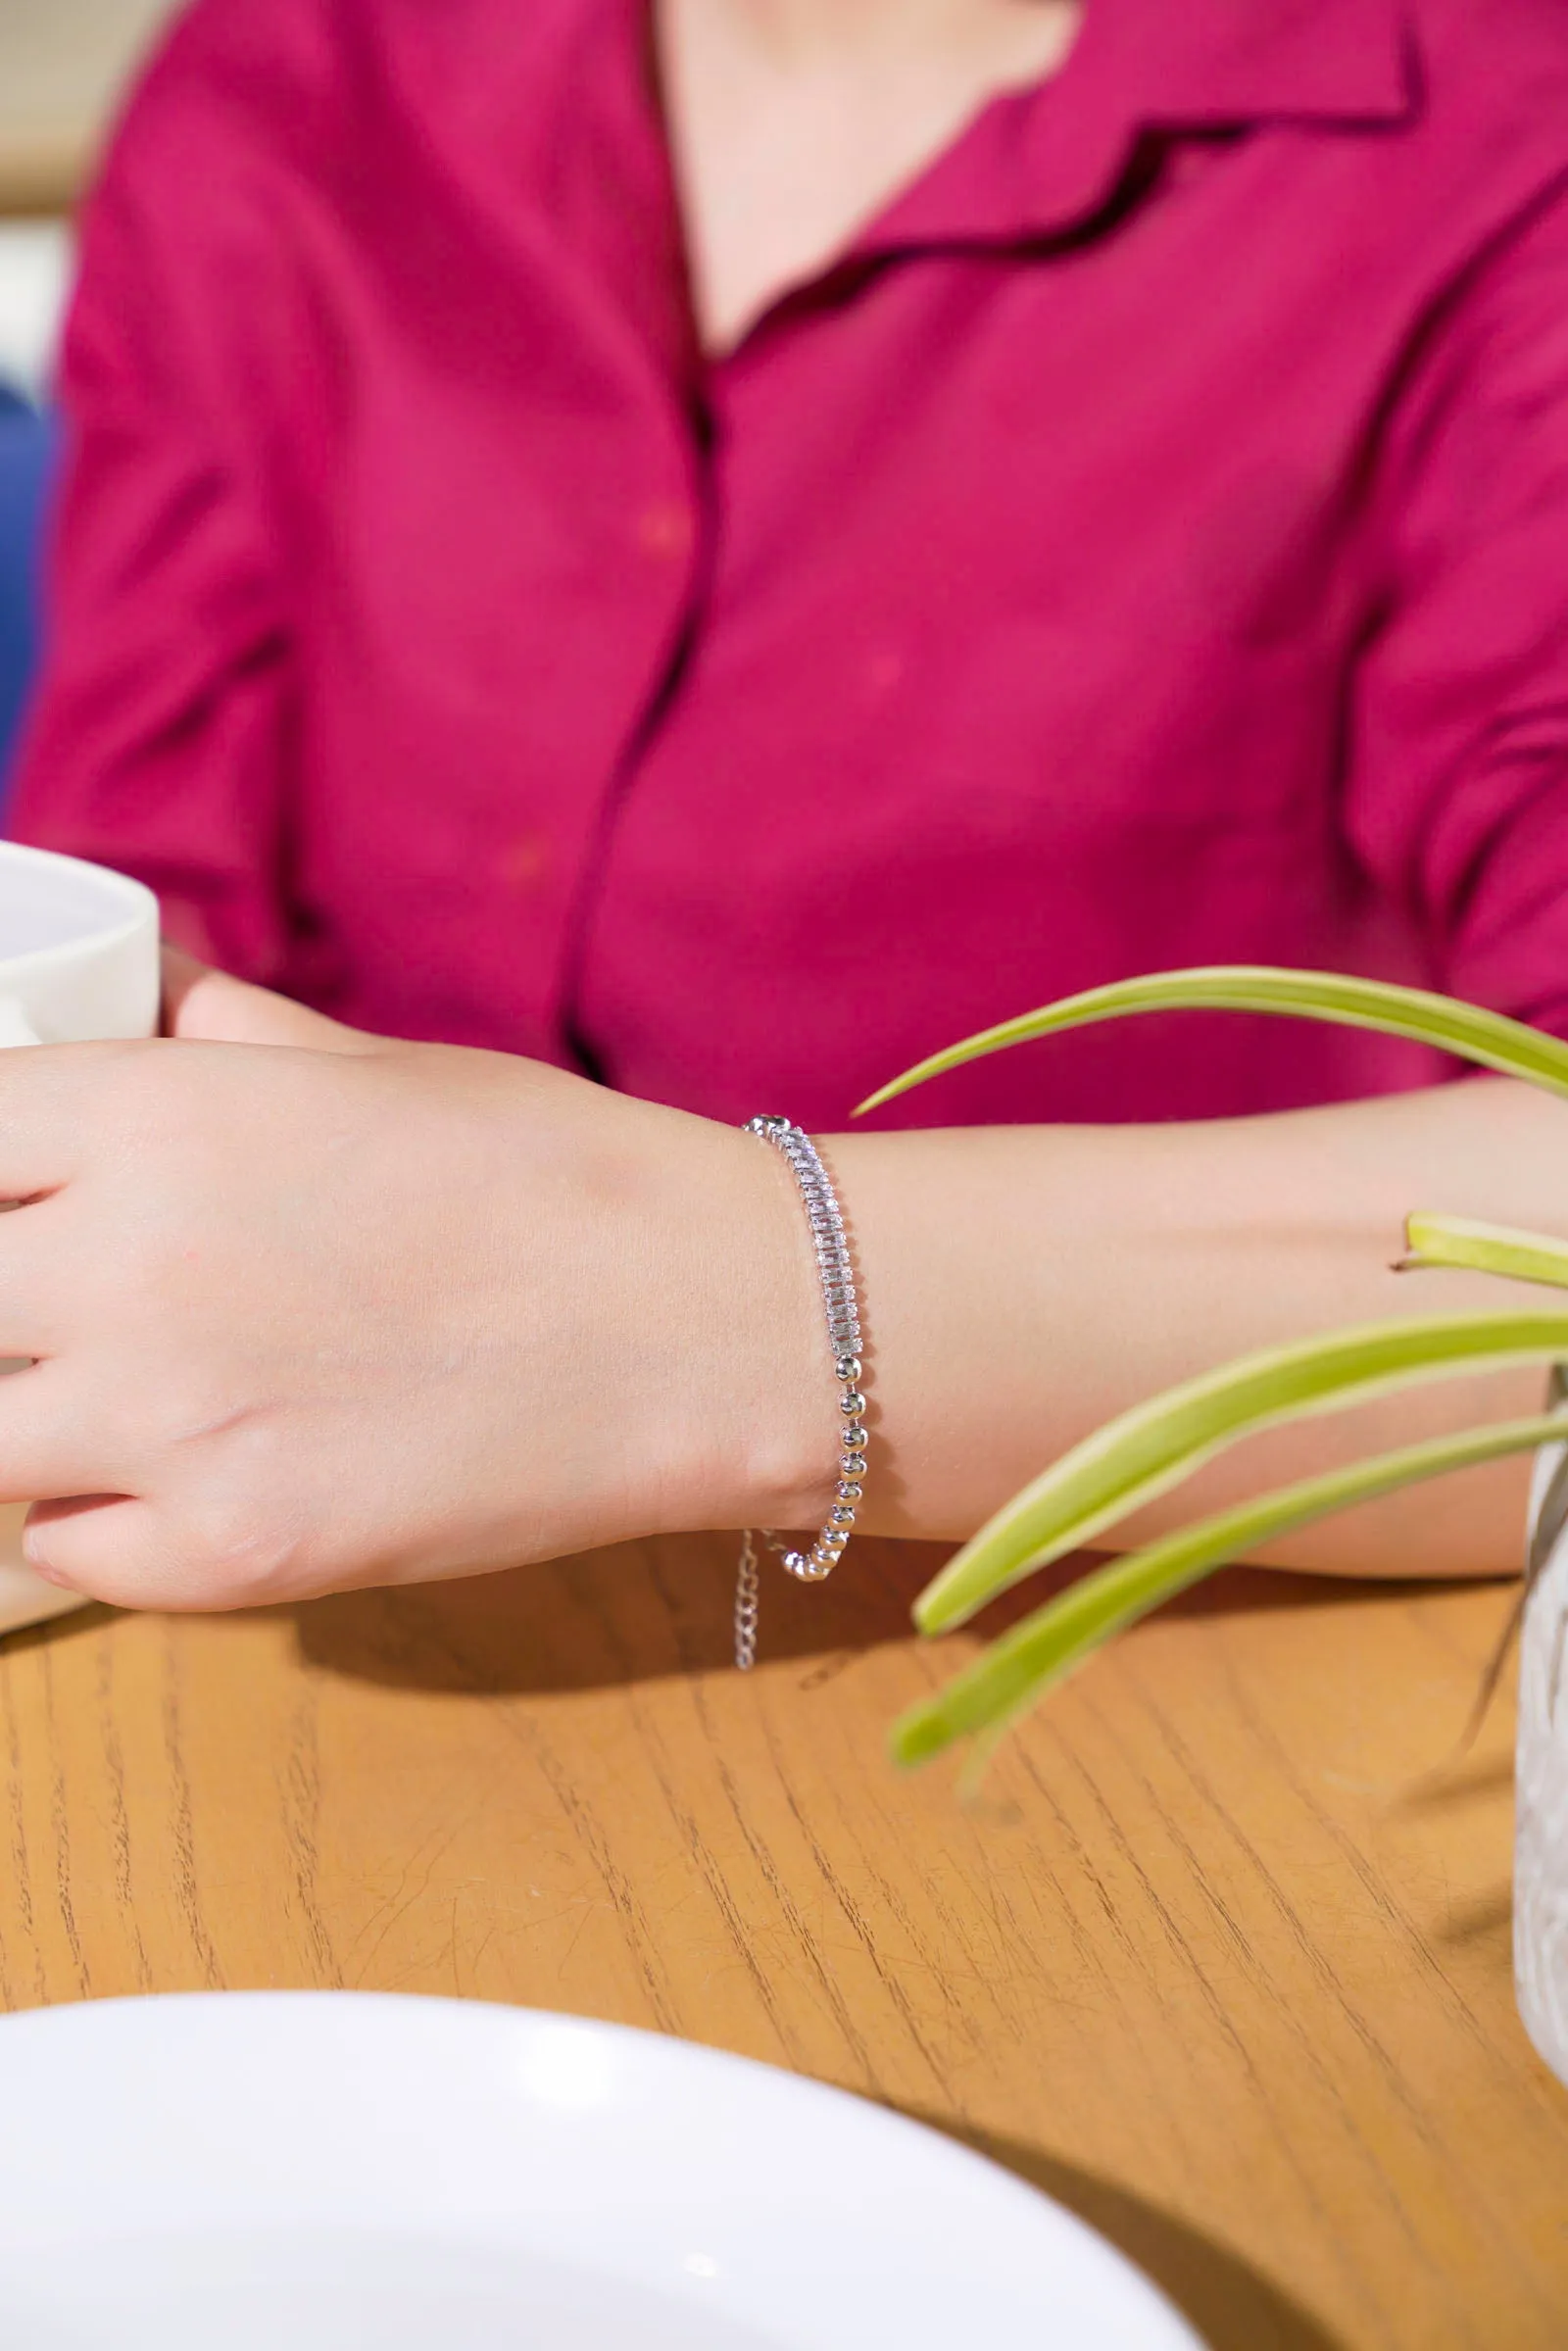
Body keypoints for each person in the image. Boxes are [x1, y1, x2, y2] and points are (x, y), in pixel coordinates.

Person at [5, 0, 1568, 1616]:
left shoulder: (1492, 144)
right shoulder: (289, 85)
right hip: (317, 1648)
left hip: (1132, 1695)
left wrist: (689, 1302)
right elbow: (125, 928)